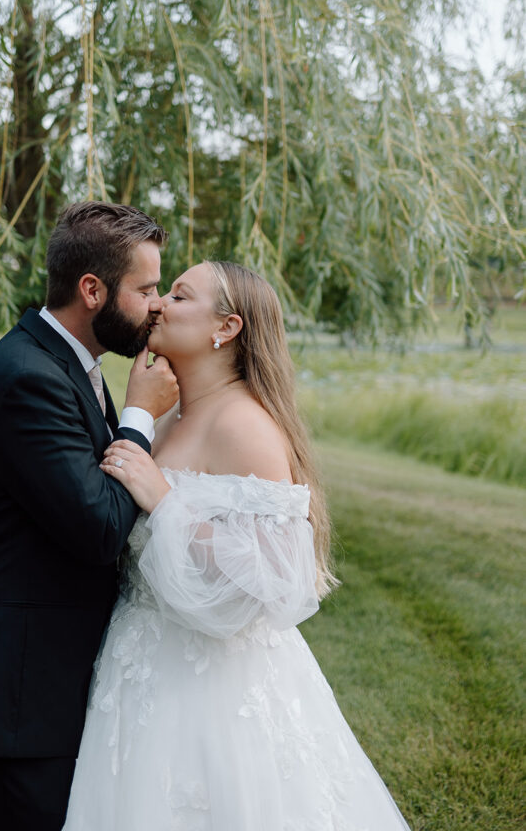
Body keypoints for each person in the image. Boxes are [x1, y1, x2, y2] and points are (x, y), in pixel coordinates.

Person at [63, 260, 411, 830]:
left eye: (178, 296)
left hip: (215, 686)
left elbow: (276, 578)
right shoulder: (169, 415)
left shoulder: (244, 427)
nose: (156, 304)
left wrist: (165, 502)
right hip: (140, 662)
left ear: (225, 328)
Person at [0, 201, 179, 831]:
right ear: (92, 289)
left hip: (51, 685)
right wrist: (141, 416)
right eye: (147, 288)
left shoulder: (69, 364)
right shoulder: (28, 380)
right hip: (20, 696)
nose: (158, 304)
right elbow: (99, 527)